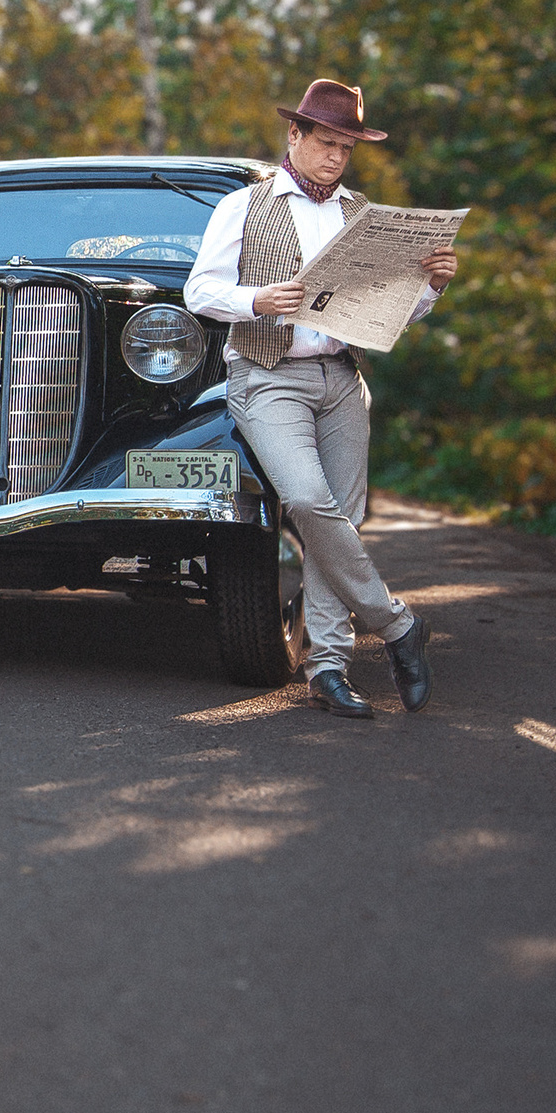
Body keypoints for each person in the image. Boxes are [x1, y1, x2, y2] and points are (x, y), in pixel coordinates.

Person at [183, 79, 459, 717]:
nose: (335, 157)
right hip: (268, 375)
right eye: (326, 142)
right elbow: (200, 292)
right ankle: (397, 625)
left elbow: (385, 314)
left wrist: (431, 287)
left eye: (346, 147)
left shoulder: (361, 214)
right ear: (294, 136)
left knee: (341, 517)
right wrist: (255, 299)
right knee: (308, 501)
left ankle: (329, 667)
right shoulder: (244, 206)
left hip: (342, 378)